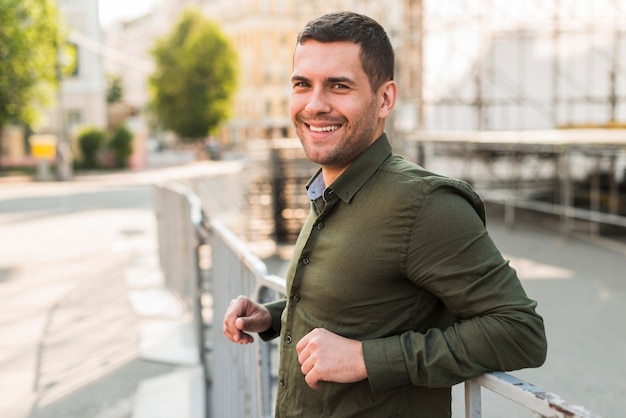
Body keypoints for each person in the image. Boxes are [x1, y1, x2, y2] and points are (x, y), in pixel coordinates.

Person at [223, 11, 547, 417]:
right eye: (302, 84)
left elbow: (520, 331)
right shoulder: (329, 188)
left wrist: (366, 359)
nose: (315, 104)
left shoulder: (425, 204)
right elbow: (362, 306)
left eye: (339, 86)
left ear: (385, 98)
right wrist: (272, 317)